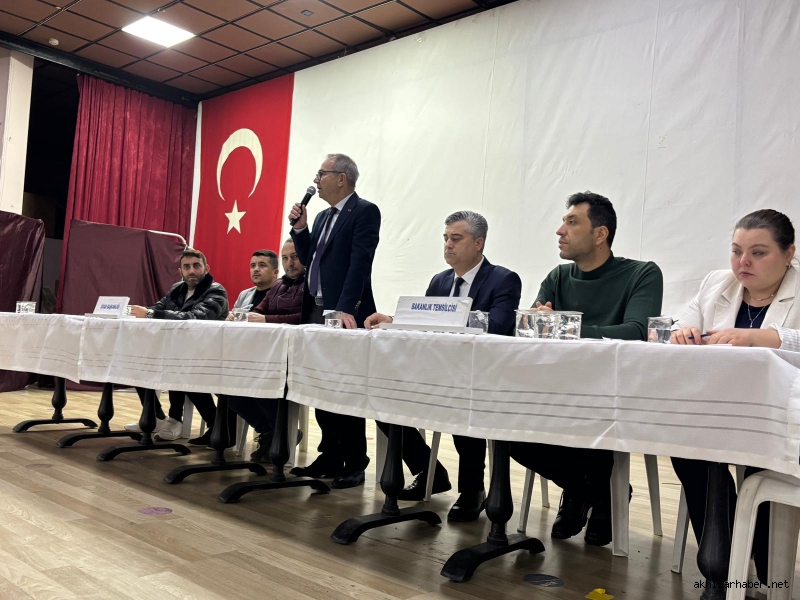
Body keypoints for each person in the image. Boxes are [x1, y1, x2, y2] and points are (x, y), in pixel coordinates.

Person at [509, 191, 664, 547]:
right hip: (557, 388)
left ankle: (587, 493)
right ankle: (598, 492)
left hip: (613, 393)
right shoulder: (558, 276)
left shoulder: (642, 274)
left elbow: (637, 331)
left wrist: (563, 327)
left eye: (571, 222)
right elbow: (531, 330)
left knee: (590, 418)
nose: (560, 230)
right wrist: (541, 324)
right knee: (510, 432)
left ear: (600, 234)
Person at [365, 211, 522, 522]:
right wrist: (394, 321)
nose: (448, 244)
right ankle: (429, 470)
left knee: (464, 406)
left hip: (478, 376)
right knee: (383, 402)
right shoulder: (440, 280)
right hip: (435, 372)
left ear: (478, 243)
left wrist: (451, 319)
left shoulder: (503, 279)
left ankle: (472, 489)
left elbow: (499, 326)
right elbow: (425, 324)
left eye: (456, 238)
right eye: (446, 238)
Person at [670, 208, 799, 583]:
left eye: (758, 253)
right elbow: (678, 326)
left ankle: (763, 562)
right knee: (688, 451)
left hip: (784, 417)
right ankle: (723, 563)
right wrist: (681, 334)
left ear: (789, 253)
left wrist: (760, 337)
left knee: (764, 466)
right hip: (722, 410)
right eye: (736, 251)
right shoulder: (717, 283)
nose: (743, 262)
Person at [287, 154, 381, 489]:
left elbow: (360, 264)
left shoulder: (364, 211)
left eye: (321, 173)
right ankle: (330, 455)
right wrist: (301, 229)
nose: (316, 179)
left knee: (345, 389)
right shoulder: (323, 215)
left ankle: (355, 461)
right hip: (316, 309)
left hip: (344, 313)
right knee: (319, 385)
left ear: (341, 178)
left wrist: (345, 309)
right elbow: (310, 257)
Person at [126, 248, 231, 442]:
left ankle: (184, 420)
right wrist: (134, 312)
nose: (192, 271)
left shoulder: (216, 290)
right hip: (178, 349)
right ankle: (156, 416)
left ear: (206, 268)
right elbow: (157, 308)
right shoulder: (177, 289)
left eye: (196, 266)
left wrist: (149, 314)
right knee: (138, 363)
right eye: (187, 267)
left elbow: (195, 317)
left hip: (208, 354)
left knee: (181, 366)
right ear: (180, 271)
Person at [221, 240, 307, 461]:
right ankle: (269, 432)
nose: (290, 263)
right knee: (229, 391)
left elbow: (306, 318)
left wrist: (267, 319)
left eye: (295, 257)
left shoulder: (312, 285)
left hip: (294, 357)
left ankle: (279, 434)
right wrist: (238, 316)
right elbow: (258, 311)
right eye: (285, 258)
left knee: (258, 384)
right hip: (265, 355)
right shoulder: (278, 286)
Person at [226, 250, 280, 319]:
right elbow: (236, 319)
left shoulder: (284, 295)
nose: (256, 269)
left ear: (275, 272)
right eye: (253, 266)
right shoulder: (244, 295)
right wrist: (231, 319)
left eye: (262, 265)